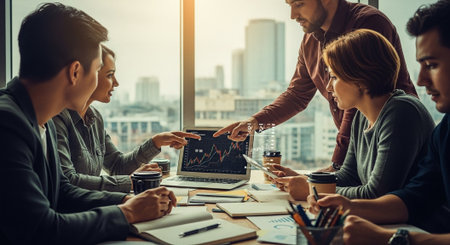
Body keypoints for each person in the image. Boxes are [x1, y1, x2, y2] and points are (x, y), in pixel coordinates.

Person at [0, 3, 176, 244]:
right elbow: (39, 229)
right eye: (97, 71)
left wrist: (125, 201)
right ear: (75, 72)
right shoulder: (7, 125)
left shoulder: (42, 119)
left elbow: (62, 192)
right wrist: (128, 213)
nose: (99, 82)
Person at [214, 0, 417, 172]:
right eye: (289, 4)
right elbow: (296, 95)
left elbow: (357, 104)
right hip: (359, 154)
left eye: (299, 4)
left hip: (395, 143)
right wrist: (253, 122)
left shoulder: (368, 23)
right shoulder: (310, 40)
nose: (293, 15)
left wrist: (336, 166)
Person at [307, 1, 450, 244]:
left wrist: (392, 239)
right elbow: (415, 196)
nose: (421, 80)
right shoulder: (445, 130)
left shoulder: (402, 111)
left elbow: (379, 192)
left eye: (432, 65)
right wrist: (347, 205)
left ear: (359, 79)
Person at [271, 29, 435, 200]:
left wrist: (313, 190)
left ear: (361, 79)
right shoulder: (361, 116)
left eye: (334, 77)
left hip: (421, 225)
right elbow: (349, 176)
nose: (328, 87)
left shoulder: (401, 113)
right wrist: (307, 179)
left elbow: (376, 194)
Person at [53, 45, 200, 193]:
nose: (116, 83)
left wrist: (155, 142)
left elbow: (117, 166)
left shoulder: (95, 118)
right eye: (109, 75)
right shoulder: (57, 119)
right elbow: (68, 181)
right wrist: (132, 182)